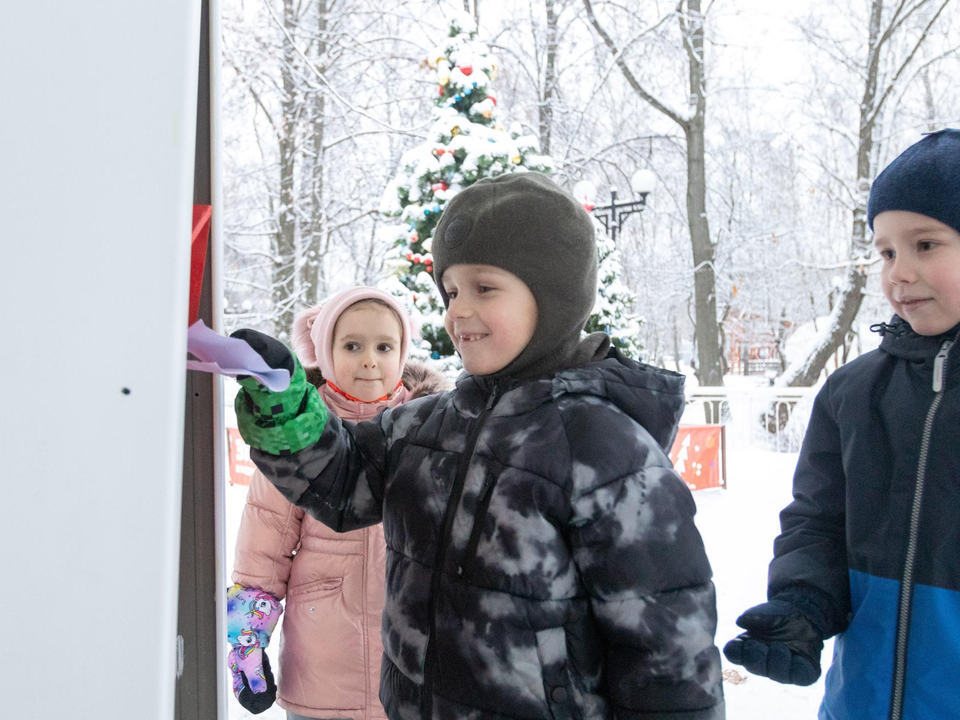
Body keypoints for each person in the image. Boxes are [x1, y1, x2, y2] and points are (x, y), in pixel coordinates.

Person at [232, 172, 725, 719]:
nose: (458, 311)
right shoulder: (424, 426)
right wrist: (286, 402)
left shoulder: (604, 451)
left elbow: (666, 658)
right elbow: (340, 480)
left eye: (484, 288)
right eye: (451, 291)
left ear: (553, 297)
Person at [723, 129, 960, 720]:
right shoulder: (853, 393)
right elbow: (818, 524)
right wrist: (803, 605)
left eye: (925, 244)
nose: (899, 274)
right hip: (861, 704)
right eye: (885, 252)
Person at [226, 287, 448, 719]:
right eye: (352, 345)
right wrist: (246, 644)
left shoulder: (433, 435)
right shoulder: (295, 441)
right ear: (325, 353)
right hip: (321, 669)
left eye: (384, 346)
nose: (370, 359)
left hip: (413, 672)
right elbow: (261, 552)